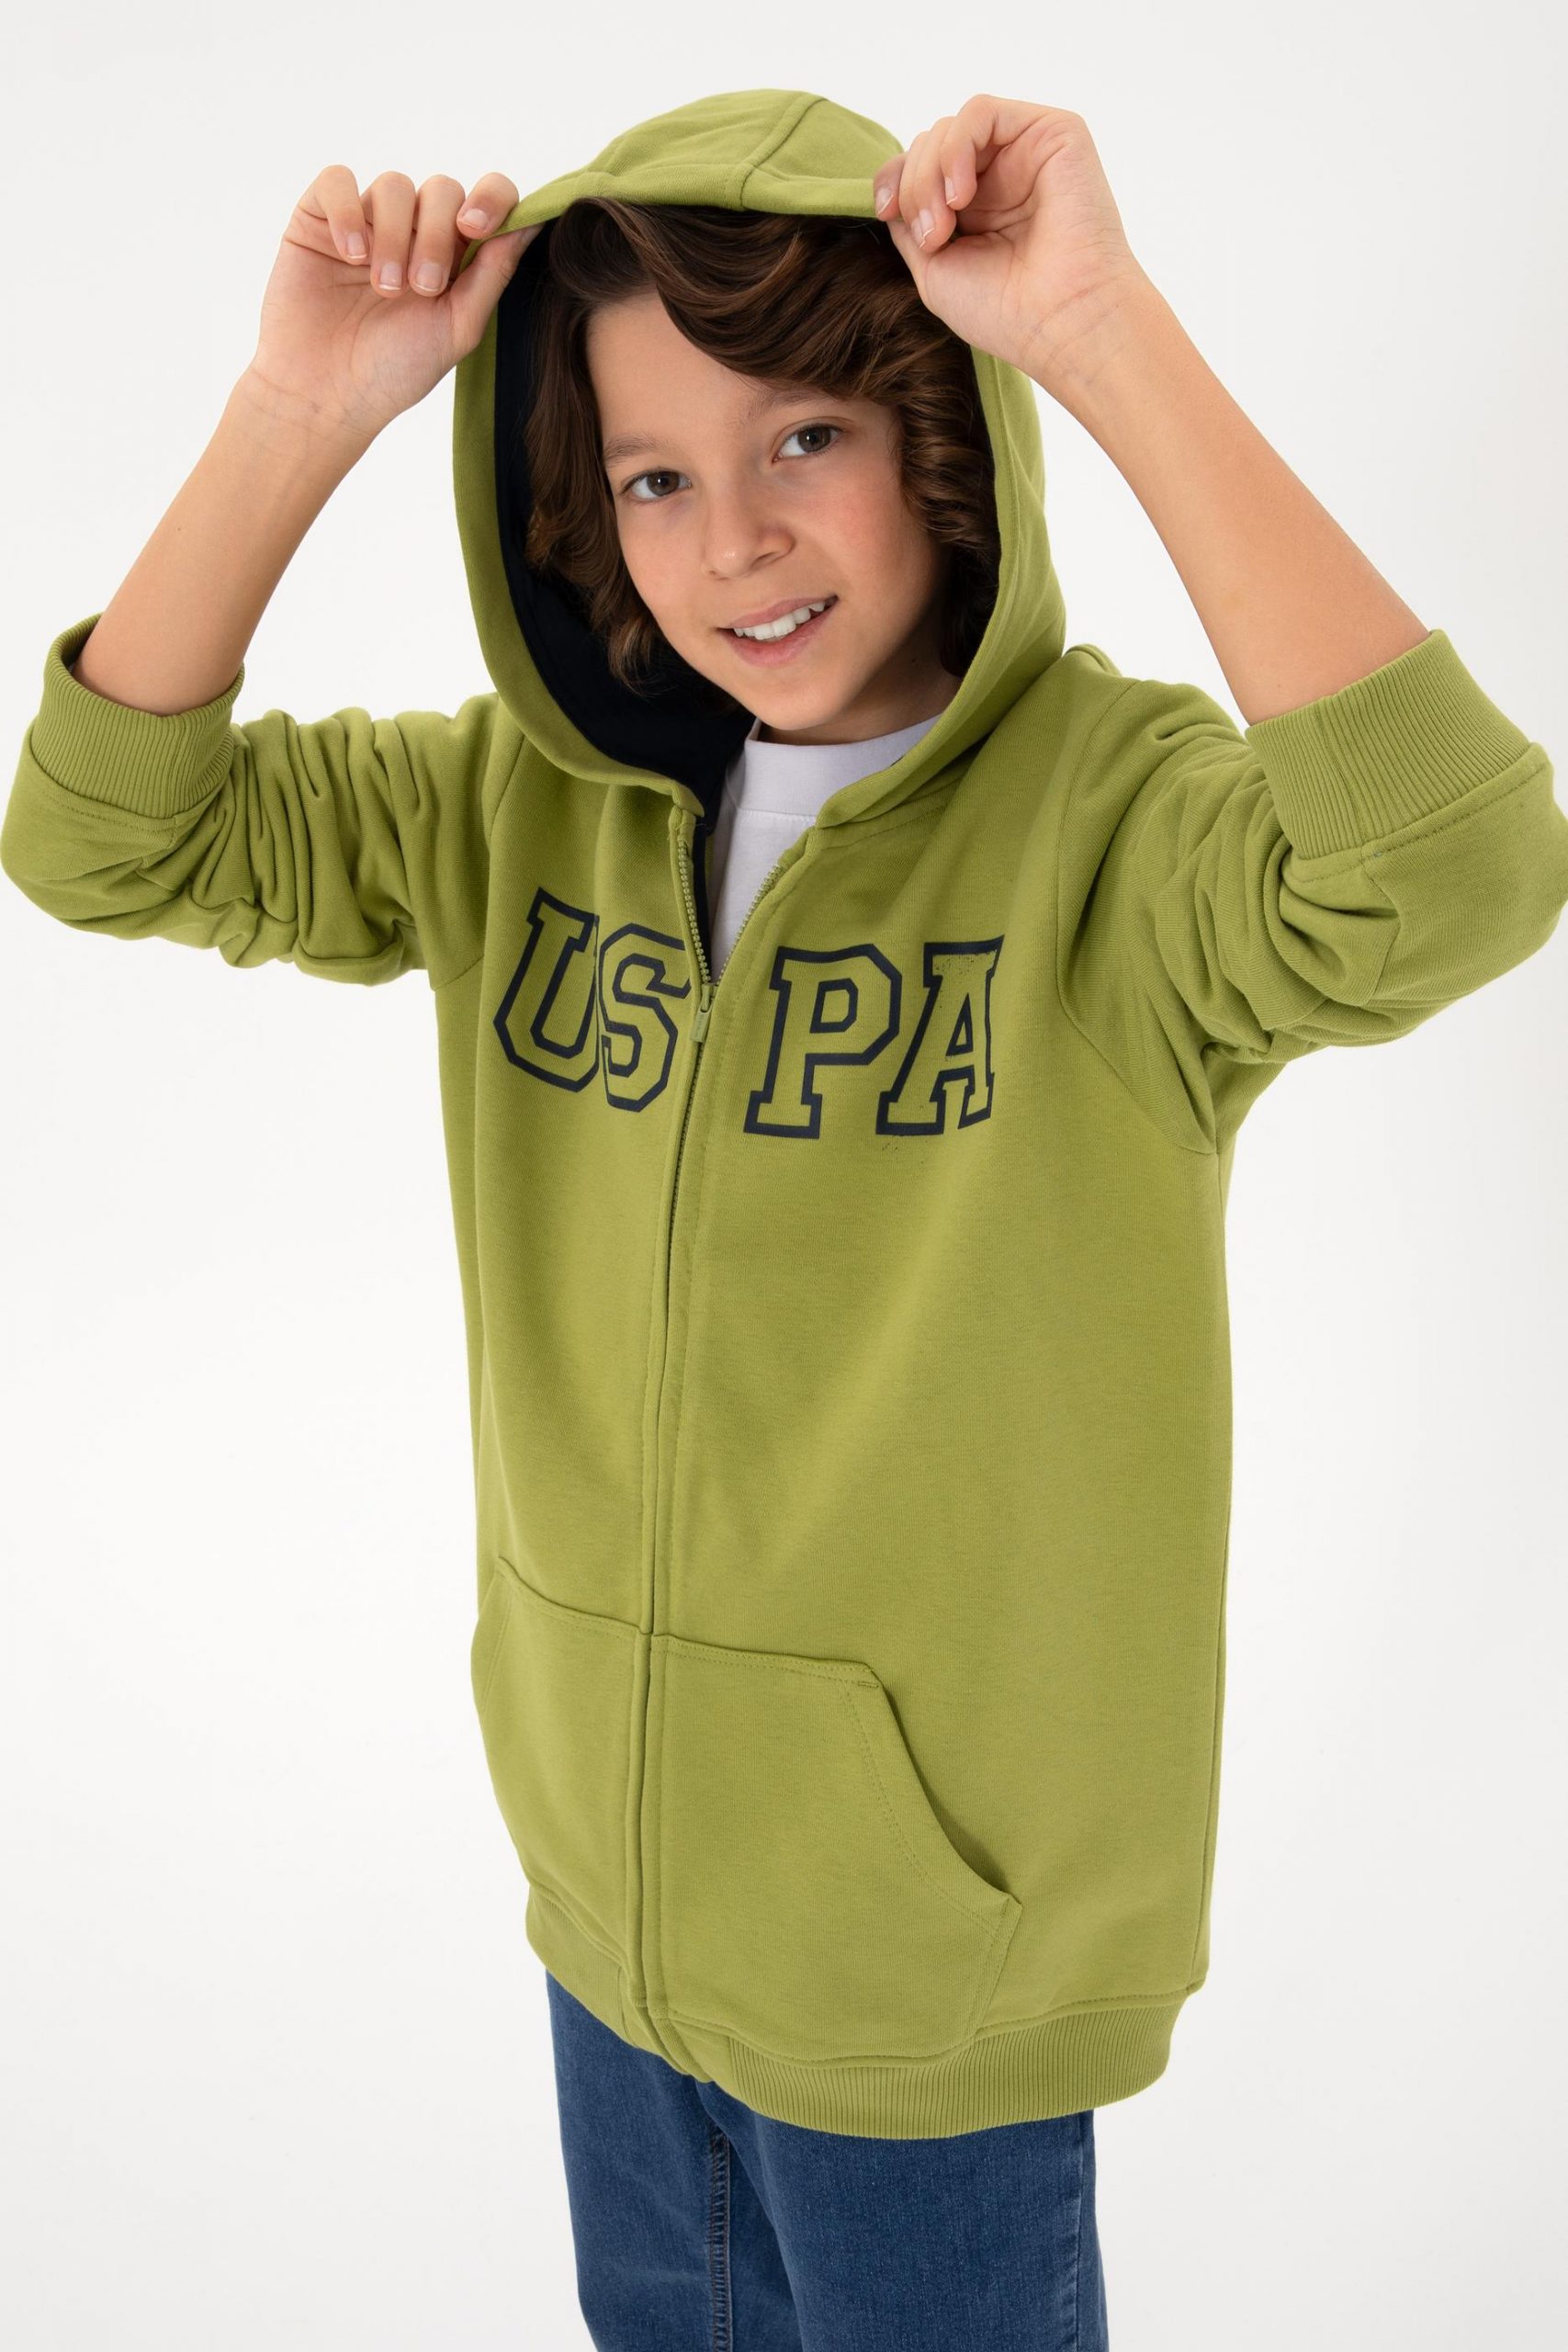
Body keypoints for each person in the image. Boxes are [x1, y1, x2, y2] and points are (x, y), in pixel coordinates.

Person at [5, 84, 1564, 2352]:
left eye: (803, 438)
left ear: (940, 439)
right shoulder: (513, 807)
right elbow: (100, 835)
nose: (730, 539)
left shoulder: (1113, 832)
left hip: (929, 1980)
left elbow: (1451, 871)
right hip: (606, 1921)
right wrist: (297, 408)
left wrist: (1098, 332)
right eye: (653, 476)